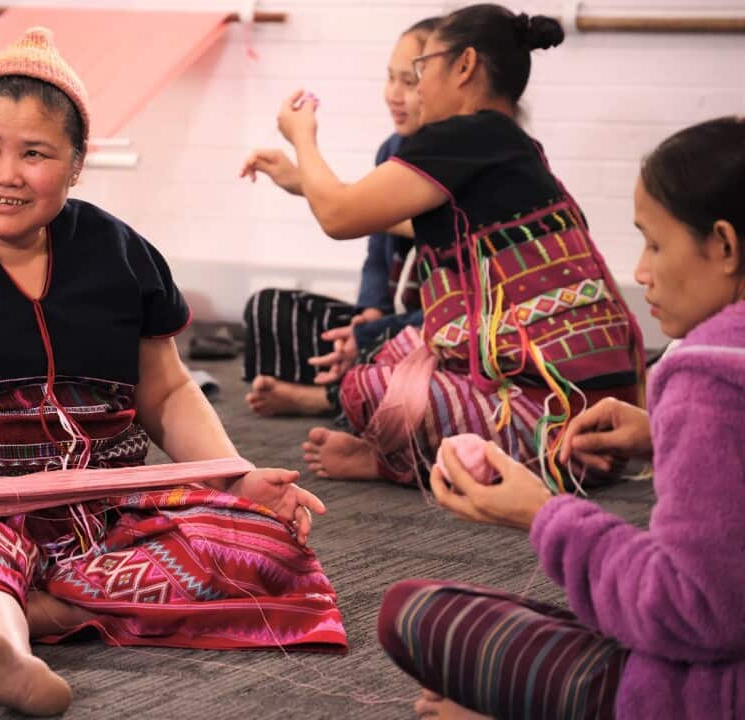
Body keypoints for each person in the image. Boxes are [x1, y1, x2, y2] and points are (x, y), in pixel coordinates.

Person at [0, 28, 345, 716]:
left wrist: (233, 478)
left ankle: (41, 608)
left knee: (264, 542)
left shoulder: (120, 253)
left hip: (98, 517)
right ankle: (4, 646)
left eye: (35, 154)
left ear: (76, 165)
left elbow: (167, 393)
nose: (7, 174)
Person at [378, 115, 745, 720]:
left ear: (725, 247)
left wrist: (542, 513)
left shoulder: (705, 378)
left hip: (704, 694)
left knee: (414, 613)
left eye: (655, 245)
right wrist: (665, 439)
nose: (642, 272)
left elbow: (693, 610)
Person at [250, 3, 643, 486]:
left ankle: (402, 462)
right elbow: (385, 218)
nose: (413, 88)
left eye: (420, 69)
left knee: (364, 384)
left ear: (464, 66)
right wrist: (302, 182)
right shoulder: (508, 143)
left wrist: (302, 137)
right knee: (385, 352)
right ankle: (440, 449)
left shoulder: (461, 136)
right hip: (603, 414)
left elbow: (339, 216)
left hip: (561, 417)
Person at [240, 16, 437, 418]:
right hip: (395, 317)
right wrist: (371, 311)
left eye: (409, 82)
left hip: (438, 322)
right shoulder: (392, 149)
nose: (394, 94)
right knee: (268, 307)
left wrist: (304, 163)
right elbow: (377, 246)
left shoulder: (455, 154)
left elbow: (380, 220)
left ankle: (328, 397)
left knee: (434, 345)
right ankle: (355, 381)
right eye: (390, 78)